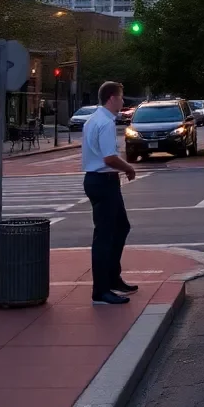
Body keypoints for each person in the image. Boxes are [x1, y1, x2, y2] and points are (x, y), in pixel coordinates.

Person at [81, 81, 137, 305]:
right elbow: (109, 158)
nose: (123, 101)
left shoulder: (94, 119)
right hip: (103, 180)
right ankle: (101, 290)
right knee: (104, 236)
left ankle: (112, 278)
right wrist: (129, 168)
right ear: (111, 98)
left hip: (99, 179)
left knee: (121, 227)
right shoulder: (104, 123)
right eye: (121, 97)